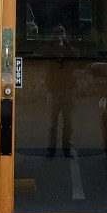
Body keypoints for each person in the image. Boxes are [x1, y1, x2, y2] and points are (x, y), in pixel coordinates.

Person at [43, 24, 79, 157]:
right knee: (52, 121)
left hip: (68, 88)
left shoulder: (69, 49)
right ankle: (51, 148)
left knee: (68, 121)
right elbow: (44, 53)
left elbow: (76, 55)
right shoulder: (49, 49)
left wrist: (66, 42)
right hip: (53, 88)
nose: (59, 35)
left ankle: (67, 147)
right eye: (57, 33)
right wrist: (54, 43)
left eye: (61, 33)